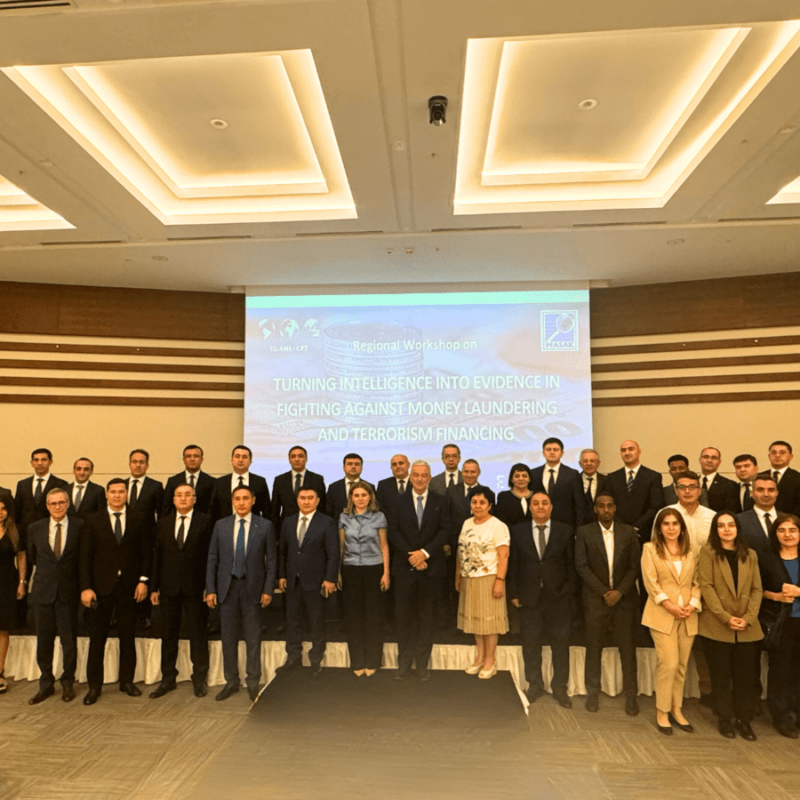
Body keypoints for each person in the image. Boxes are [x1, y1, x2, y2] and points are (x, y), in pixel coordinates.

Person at [80, 478, 153, 705]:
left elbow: (147, 553)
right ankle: (94, 687)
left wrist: (143, 581)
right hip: (100, 588)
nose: (117, 495)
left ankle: (126, 682)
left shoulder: (139, 518)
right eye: (113, 492)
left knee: (127, 637)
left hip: (130, 588)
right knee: (97, 639)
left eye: (121, 491)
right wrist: (86, 587)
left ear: (126, 494)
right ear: (106, 494)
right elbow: (85, 557)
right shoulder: (93, 520)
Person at [206, 485, 275, 701]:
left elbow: (271, 561)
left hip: (253, 588)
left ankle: (253, 681)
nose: (241, 502)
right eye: (237, 498)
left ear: (253, 500)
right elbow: (212, 559)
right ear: (232, 501)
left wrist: (268, 589)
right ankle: (231, 682)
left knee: (253, 638)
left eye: (246, 498)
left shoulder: (264, 525)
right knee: (228, 638)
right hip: (227, 589)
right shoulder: (221, 525)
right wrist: (210, 589)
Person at [698, 512, 763, 741]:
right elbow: (706, 587)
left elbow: (757, 588)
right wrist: (726, 617)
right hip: (717, 624)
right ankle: (725, 719)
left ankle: (744, 720)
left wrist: (749, 617)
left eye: (731, 525)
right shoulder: (708, 552)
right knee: (721, 676)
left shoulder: (750, 554)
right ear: (715, 530)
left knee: (745, 677)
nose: (726, 529)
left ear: (738, 528)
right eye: (721, 525)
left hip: (747, 626)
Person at [508, 492, 575, 708]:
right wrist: (514, 594)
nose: (540, 507)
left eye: (544, 503)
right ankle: (534, 685)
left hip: (558, 598)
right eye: (535, 503)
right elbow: (513, 564)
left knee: (560, 644)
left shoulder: (565, 531)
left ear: (551, 507)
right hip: (529, 597)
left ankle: (560, 687)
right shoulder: (517, 531)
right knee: (531, 644)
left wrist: (566, 591)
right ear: (530, 507)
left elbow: (572, 565)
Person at [575, 491, 640, 715]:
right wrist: (604, 592)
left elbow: (634, 566)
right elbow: (582, 566)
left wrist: (619, 592)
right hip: (595, 599)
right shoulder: (584, 532)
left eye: (609, 506)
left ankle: (631, 696)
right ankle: (592, 693)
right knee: (594, 648)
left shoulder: (628, 532)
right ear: (595, 509)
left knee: (627, 650)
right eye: (601, 506)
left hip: (624, 600)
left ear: (615, 508)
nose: (605, 510)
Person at [641, 508, 701, 735]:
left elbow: (698, 582)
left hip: (688, 615)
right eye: (666, 524)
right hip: (662, 614)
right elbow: (650, 582)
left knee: (682, 665)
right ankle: (662, 712)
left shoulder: (693, 551)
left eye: (675, 523)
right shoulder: (650, 549)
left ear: (682, 527)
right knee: (669, 663)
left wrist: (692, 604)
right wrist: (669, 605)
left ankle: (677, 709)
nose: (671, 528)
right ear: (659, 528)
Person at [149, 483, 213, 699]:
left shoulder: (206, 521)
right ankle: (168, 678)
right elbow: (157, 556)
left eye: (188, 495)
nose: (183, 498)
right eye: (179, 495)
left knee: (198, 634)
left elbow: (210, 557)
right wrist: (154, 587)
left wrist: (209, 586)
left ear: (194, 498)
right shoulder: (163, 522)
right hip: (168, 588)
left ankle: (199, 678)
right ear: (173, 499)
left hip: (196, 588)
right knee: (168, 635)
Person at [388, 460, 449, 680]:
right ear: (410, 477)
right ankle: (403, 664)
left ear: (429, 477)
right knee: (404, 618)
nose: (420, 479)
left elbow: (445, 530)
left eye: (424, 475)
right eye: (416, 475)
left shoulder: (441, 501)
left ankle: (422, 664)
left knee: (426, 619)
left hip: (431, 569)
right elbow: (393, 532)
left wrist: (424, 553)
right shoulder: (397, 501)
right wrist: (412, 556)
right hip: (404, 569)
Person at [26, 488, 82, 704]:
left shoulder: (80, 526)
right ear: (47, 506)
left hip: (69, 593)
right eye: (53, 503)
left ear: (68, 503)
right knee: (44, 641)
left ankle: (68, 682)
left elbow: (83, 559)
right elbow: (33, 557)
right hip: (43, 593)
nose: (57, 506)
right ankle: (46, 684)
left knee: (69, 642)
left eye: (61, 502)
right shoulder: (35, 528)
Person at [277, 487, 338, 677]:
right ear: (297, 500)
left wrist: (330, 578)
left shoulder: (327, 522)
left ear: (317, 501)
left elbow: (333, 553)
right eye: (302, 498)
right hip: (292, 581)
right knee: (292, 621)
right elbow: (283, 552)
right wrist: (281, 575)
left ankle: (316, 659)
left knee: (316, 621)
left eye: (310, 498)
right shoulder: (288, 522)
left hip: (316, 581)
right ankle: (293, 657)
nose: (306, 501)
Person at [455, 487, 509, 679]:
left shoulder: (498, 526)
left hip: (490, 578)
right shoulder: (467, 523)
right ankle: (479, 658)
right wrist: (458, 576)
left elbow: (503, 555)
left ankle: (489, 660)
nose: (477, 506)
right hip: (469, 578)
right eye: (474, 502)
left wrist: (499, 581)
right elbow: (461, 552)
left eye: (482, 502)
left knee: (489, 623)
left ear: (490, 505)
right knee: (476, 621)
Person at [337, 481, 389, 677]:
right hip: (350, 569)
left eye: (364, 495)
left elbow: (384, 546)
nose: (360, 498)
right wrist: (338, 572)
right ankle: (357, 660)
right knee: (354, 617)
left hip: (374, 569)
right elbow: (341, 547)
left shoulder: (379, 517)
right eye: (356, 495)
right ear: (351, 497)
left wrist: (386, 573)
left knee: (373, 617)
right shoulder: (343, 517)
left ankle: (373, 661)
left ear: (370, 497)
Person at [757, 513, 800, 737]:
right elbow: (757, 589)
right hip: (781, 624)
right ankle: (783, 717)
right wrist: (776, 596)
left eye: (792, 530)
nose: (787, 535)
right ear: (775, 534)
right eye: (782, 530)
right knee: (781, 671)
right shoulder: (766, 559)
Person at [606, 440, 663, 546]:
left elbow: (655, 506)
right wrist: (623, 527)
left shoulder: (653, 476)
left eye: (631, 449)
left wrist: (636, 526)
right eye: (623, 450)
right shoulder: (611, 477)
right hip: (618, 532)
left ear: (639, 451)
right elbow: (609, 505)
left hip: (644, 533)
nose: (627, 453)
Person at [271, 445, 327, 535]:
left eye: (300, 456)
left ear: (306, 459)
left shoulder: (317, 479)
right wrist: (275, 535)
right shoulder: (280, 480)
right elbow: (275, 510)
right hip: (286, 528)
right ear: (289, 459)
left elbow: (322, 507)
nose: (297, 459)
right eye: (293, 456)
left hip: (312, 527)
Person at [0, 496, 25, 695]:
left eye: (3, 508)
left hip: (7, 583)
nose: (0, 512)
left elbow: (21, 557)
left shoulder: (14, 531)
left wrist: (22, 582)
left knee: (2, 629)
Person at [530, 437, 585, 527]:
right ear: (543, 453)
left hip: (566, 525)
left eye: (555, 450)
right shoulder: (533, 473)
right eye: (548, 449)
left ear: (562, 453)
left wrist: (579, 529)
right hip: (539, 524)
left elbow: (579, 505)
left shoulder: (572, 474)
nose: (552, 452)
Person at [654, 470, 716, 550]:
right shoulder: (664, 514)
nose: (687, 491)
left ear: (699, 491)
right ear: (676, 491)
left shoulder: (712, 516)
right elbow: (656, 545)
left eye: (692, 487)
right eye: (682, 487)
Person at [209, 445, 271, 523]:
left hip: (253, 527)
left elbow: (267, 511)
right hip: (225, 527)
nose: (240, 460)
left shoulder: (259, 482)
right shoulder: (220, 482)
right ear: (232, 460)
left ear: (250, 461)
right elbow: (212, 510)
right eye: (237, 456)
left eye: (244, 457)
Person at [162, 444, 216, 517]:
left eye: (196, 456)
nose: (192, 459)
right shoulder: (173, 481)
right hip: (179, 521)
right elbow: (166, 508)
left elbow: (213, 508)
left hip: (204, 522)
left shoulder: (212, 482)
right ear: (184, 460)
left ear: (201, 460)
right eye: (188, 456)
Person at [737, 475, 779, 553]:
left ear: (777, 493)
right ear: (752, 493)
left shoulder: (788, 519)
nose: (766, 494)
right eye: (760, 490)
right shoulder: (739, 520)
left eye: (771, 490)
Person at [326, 453, 373, 522]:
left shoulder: (370, 487)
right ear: (344, 467)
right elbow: (328, 512)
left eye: (357, 464)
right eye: (350, 464)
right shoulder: (333, 487)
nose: (353, 467)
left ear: (361, 468)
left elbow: (373, 510)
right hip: (338, 526)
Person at [125, 449, 164, 525]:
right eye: (134, 462)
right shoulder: (122, 485)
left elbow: (161, 513)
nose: (138, 465)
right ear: (129, 465)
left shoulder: (155, 486)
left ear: (147, 466)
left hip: (148, 530)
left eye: (141, 462)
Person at [698, 448, 739, 512]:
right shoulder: (691, 482)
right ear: (700, 460)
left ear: (719, 462)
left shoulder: (729, 485)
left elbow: (731, 511)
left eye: (714, 458)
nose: (709, 460)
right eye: (706, 457)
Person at [495, 463, 533, 529]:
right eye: (517, 476)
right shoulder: (503, 497)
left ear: (529, 479)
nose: (521, 479)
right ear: (511, 479)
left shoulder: (537, 496)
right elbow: (501, 521)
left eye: (524, 476)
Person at [768, 441, 800, 516]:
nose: (777, 455)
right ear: (769, 456)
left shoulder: (797, 478)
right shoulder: (759, 477)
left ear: (790, 457)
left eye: (782, 453)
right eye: (774, 453)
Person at [375, 454, 411, 520]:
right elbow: (379, 507)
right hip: (389, 524)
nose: (398, 466)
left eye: (401, 463)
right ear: (391, 468)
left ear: (408, 465)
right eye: (394, 464)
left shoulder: (418, 483)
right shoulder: (383, 485)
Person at [578, 448, 606, 523]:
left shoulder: (607, 481)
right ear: (580, 463)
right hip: (579, 525)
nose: (589, 463)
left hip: (601, 523)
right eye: (585, 461)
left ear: (598, 463)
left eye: (592, 461)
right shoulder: (572, 482)